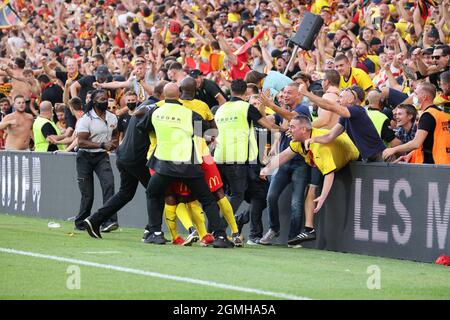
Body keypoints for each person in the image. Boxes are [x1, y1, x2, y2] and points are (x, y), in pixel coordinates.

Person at [142, 83, 234, 248]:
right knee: (207, 200)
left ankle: (156, 233)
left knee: (153, 194)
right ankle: (220, 236)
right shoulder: (191, 114)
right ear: (179, 94)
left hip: (164, 165)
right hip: (189, 165)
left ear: (163, 94)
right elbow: (206, 134)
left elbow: (142, 127)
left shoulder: (155, 112)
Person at [260, 115, 359, 245]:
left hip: (350, 155)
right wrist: (267, 168)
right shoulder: (297, 142)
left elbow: (330, 174)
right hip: (318, 160)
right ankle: (307, 229)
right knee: (309, 188)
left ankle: (308, 230)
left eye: (292, 127)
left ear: (304, 130)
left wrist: (322, 197)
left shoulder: (320, 147)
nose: (289, 130)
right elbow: (284, 155)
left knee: (310, 189)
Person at [83, 95, 155, 240]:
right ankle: (151, 231)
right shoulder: (154, 107)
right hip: (136, 158)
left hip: (123, 156)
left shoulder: (146, 105)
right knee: (156, 192)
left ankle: (94, 220)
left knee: (125, 193)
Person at [214, 79, 281, 231]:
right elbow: (270, 126)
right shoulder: (246, 107)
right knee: (238, 195)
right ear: (245, 93)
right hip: (238, 159)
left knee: (221, 196)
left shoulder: (221, 109)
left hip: (218, 157)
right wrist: (287, 129)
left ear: (231, 91)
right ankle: (219, 229)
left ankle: (215, 228)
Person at [257, 83, 312, 245]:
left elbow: (291, 116)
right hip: (283, 162)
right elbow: (266, 122)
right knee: (271, 196)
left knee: (296, 202)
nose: (285, 95)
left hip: (300, 163)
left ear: (298, 96)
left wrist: (271, 104)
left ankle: (293, 238)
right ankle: (274, 229)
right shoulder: (281, 112)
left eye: (289, 93)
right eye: (284, 93)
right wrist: (262, 106)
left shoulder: (303, 110)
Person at [299, 84, 388, 162]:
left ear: (350, 100)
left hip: (380, 156)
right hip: (370, 158)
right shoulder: (345, 117)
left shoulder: (358, 110)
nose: (337, 101)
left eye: (341, 97)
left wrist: (307, 93)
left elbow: (330, 106)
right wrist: (313, 139)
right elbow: (329, 137)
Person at [73, 89, 120, 232]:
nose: (105, 101)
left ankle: (109, 221)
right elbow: (81, 142)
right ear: (94, 102)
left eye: (106, 99)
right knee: (88, 194)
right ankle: (81, 221)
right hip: (85, 157)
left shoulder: (112, 118)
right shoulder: (86, 119)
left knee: (109, 185)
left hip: (101, 156)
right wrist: (102, 144)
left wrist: (113, 143)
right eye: (101, 99)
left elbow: (116, 134)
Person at [383, 82, 450, 164]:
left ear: (424, 97)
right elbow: (429, 141)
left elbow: (416, 143)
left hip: (433, 163)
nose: (413, 96)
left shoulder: (427, 115)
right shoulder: (440, 113)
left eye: (416, 93)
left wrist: (393, 149)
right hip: (443, 161)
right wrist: (411, 154)